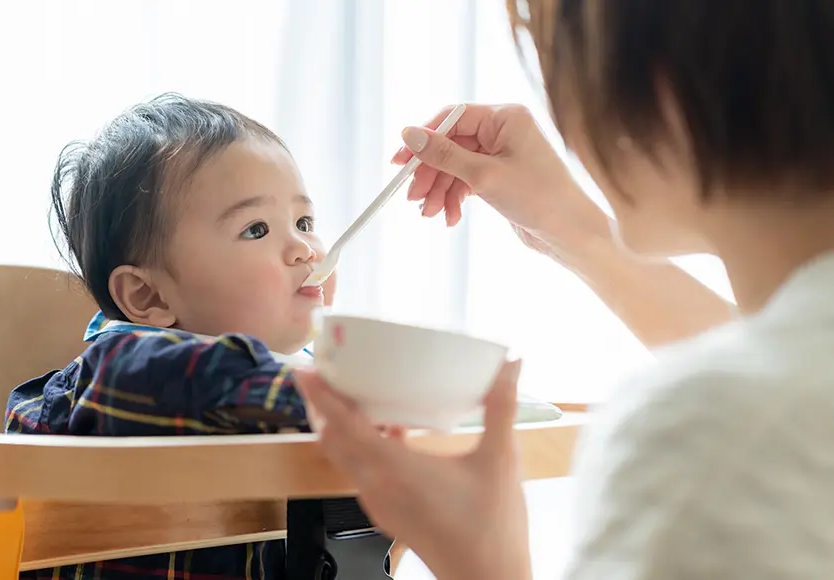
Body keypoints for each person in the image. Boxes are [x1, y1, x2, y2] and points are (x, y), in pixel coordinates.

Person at [294, 0, 834, 578]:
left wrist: (482, 562)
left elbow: (760, 400)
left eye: (564, 71)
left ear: (660, 83)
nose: (569, 119)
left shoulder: (716, 438)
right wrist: (576, 230)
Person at [5, 93, 337, 579]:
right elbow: (206, 377)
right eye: (257, 229)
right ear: (148, 297)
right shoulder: (122, 377)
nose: (306, 250)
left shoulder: (294, 382)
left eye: (304, 222)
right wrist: (352, 398)